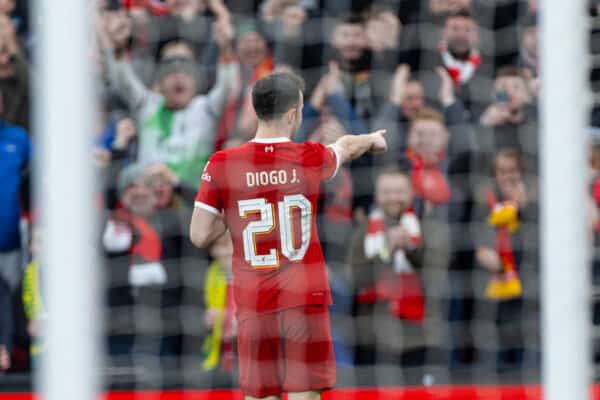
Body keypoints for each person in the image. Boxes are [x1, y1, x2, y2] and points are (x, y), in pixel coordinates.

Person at [189, 71, 387, 400]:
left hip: (254, 303)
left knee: (260, 396)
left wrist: (236, 207)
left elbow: (199, 235)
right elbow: (346, 146)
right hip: (303, 300)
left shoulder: (224, 163)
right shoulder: (307, 157)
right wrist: (373, 139)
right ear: (294, 112)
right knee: (304, 395)